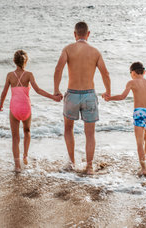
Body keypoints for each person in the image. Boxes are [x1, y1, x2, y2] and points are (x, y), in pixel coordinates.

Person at [54, 22, 111, 175]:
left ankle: (72, 163)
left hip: (72, 94)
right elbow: (105, 73)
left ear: (74, 34)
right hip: (89, 95)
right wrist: (108, 91)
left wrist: (56, 90)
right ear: (88, 34)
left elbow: (58, 68)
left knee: (68, 129)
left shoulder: (68, 49)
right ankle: (90, 167)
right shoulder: (95, 51)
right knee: (90, 133)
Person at [0, 50, 61, 172]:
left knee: (15, 138)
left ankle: (17, 166)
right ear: (26, 61)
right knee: (27, 131)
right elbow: (38, 90)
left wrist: (1, 105)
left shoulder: (10, 75)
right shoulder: (29, 75)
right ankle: (25, 155)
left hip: (14, 108)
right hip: (26, 107)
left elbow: (4, 92)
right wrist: (53, 97)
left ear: (14, 61)